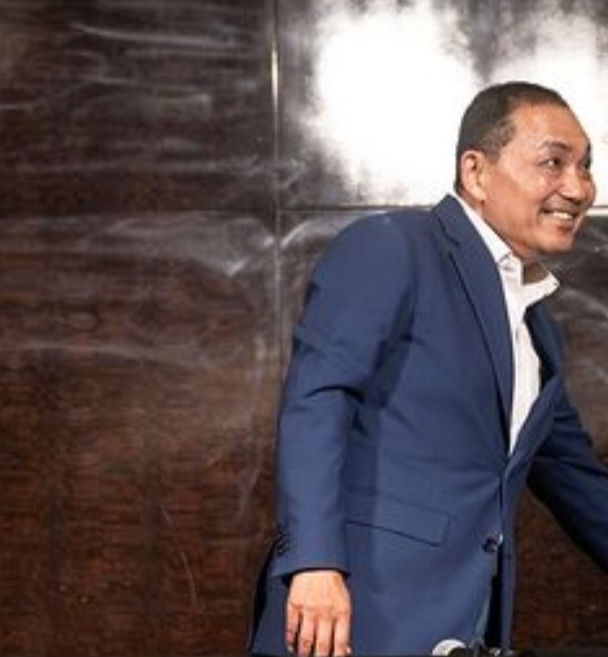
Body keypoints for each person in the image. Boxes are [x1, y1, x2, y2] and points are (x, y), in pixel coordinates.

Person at [250, 80, 608, 657]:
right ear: (476, 172)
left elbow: (575, 478)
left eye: (586, 166)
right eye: (553, 162)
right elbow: (319, 398)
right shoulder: (392, 247)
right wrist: (314, 563)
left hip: (463, 627)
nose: (579, 187)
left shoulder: (537, 328)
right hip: (352, 617)